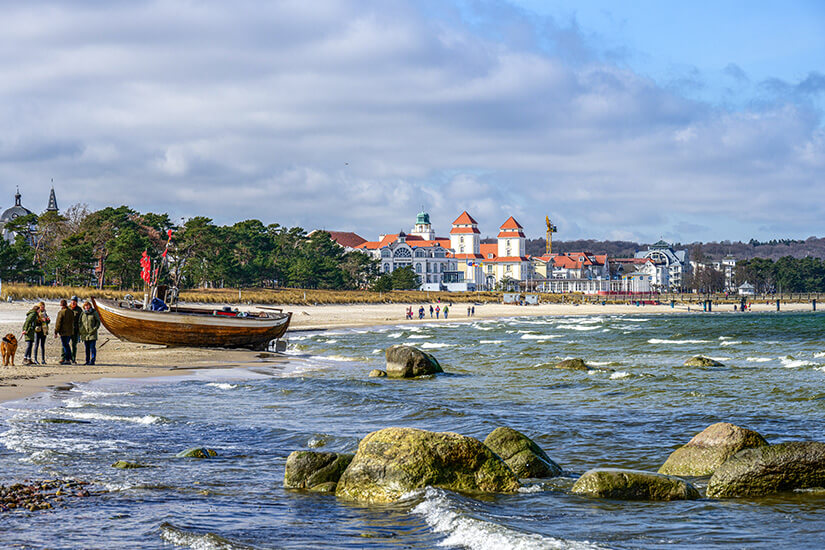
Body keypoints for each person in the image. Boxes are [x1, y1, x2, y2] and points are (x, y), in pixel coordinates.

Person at [78, 301, 101, 365]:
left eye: (88, 305)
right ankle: (87, 360)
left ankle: (93, 360)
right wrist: (81, 330)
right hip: (85, 334)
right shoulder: (83, 314)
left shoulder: (94, 313)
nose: (87, 307)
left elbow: (98, 322)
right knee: (87, 348)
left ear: (90, 306)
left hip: (92, 334)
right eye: (85, 306)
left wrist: (94, 329)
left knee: (92, 347)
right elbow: (80, 322)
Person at [54, 299, 75, 365]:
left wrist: (56, 331)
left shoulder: (61, 312)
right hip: (70, 331)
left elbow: (58, 323)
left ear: (61, 305)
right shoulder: (71, 312)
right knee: (67, 344)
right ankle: (69, 358)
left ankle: (67, 359)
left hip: (63, 331)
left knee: (65, 345)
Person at [68, 296, 82, 365]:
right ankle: (65, 358)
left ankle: (73, 359)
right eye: (72, 301)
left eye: (74, 301)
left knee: (74, 345)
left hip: (76, 330)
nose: (73, 302)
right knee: (65, 344)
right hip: (67, 330)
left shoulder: (79, 310)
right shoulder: (67, 308)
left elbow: (81, 320)